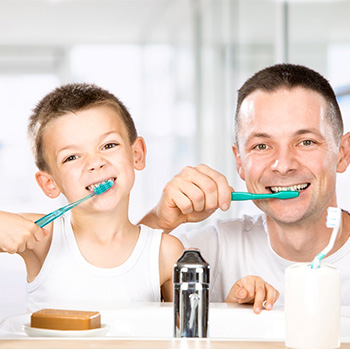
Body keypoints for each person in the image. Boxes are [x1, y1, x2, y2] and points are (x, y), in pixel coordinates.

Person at [0, 83, 275, 313]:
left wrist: (237, 307)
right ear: (49, 183)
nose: (95, 163)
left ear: (137, 154)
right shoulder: (42, 237)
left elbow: (189, 335)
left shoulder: (167, 252)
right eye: (72, 157)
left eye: (108, 145)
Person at [140, 63, 350, 310]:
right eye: (261, 146)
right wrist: (159, 221)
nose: (283, 165)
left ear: (343, 153)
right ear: (239, 161)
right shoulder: (211, 251)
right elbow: (115, 289)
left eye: (305, 142)